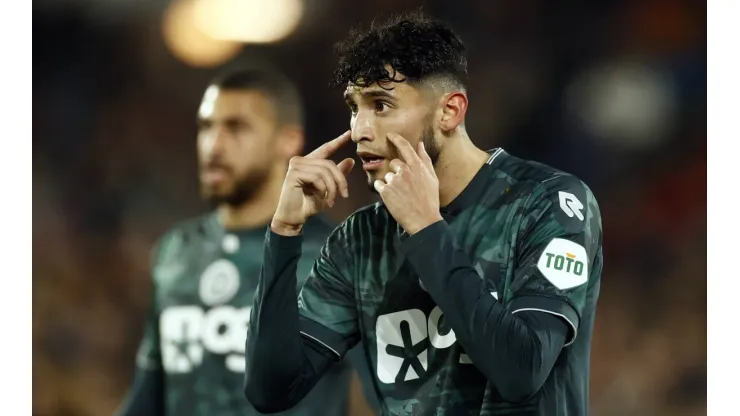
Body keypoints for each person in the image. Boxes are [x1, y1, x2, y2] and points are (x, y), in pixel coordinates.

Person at [244, 12, 603, 416]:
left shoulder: (548, 202)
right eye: (354, 107)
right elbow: (270, 389)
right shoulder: (360, 240)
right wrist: (284, 232)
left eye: (381, 105)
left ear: (449, 111)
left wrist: (426, 229)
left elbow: (522, 371)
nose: (360, 129)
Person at [116, 67, 372, 416]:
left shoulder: (335, 255)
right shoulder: (175, 252)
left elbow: (387, 390)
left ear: (289, 141)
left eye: (236, 127)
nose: (214, 144)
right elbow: (149, 396)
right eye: (206, 126)